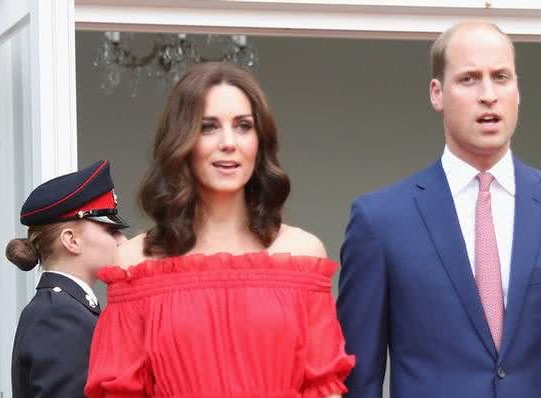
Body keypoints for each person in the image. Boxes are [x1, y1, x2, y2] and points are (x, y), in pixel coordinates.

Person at [338, 21, 541, 397]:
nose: (488, 94)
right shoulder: (380, 221)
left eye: (501, 77)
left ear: (518, 90)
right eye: (470, 79)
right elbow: (359, 381)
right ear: (437, 93)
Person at [85, 62, 355, 398]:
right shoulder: (133, 263)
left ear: (260, 141)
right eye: (208, 127)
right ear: (182, 140)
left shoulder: (302, 254)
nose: (229, 142)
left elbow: (323, 388)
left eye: (243, 126)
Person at [8, 160, 129, 398]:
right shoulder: (61, 316)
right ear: (71, 240)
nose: (122, 240)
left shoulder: (65, 309)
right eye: (110, 230)